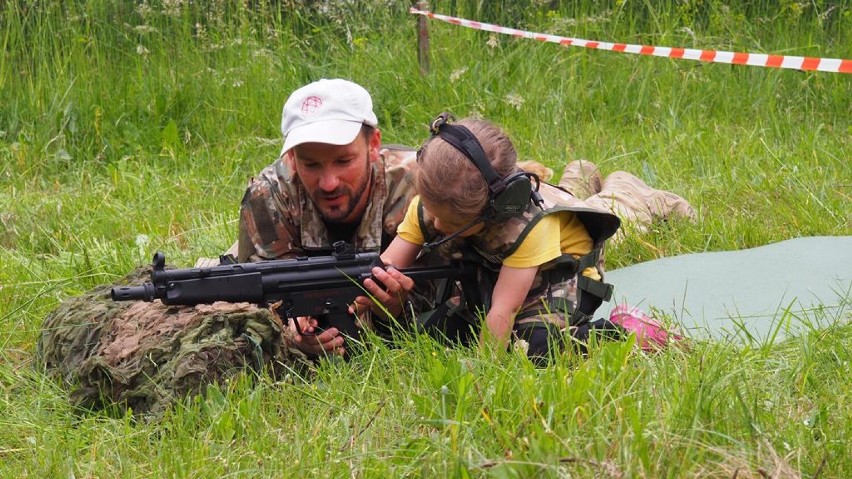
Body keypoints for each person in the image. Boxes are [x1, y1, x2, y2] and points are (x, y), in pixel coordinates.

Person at [353, 114, 628, 364]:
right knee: (439, 332)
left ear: (492, 210)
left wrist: (484, 372)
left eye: (450, 223)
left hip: (559, 272)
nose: (435, 224)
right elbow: (384, 268)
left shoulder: (531, 228)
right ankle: (581, 171)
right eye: (432, 213)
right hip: (499, 265)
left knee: (533, 350)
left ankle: (629, 188)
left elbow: (504, 309)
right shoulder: (437, 201)